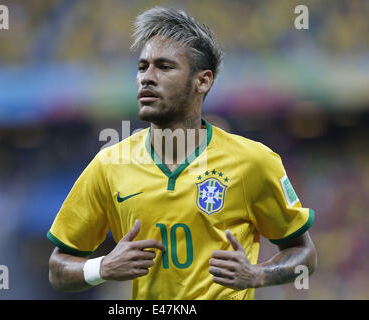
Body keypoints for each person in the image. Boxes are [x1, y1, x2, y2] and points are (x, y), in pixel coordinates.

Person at [47, 6, 317, 300]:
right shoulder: (109, 164)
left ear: (203, 81)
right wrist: (103, 266)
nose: (146, 78)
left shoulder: (253, 162)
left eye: (164, 67)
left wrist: (257, 274)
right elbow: (58, 269)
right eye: (142, 67)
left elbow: (303, 253)